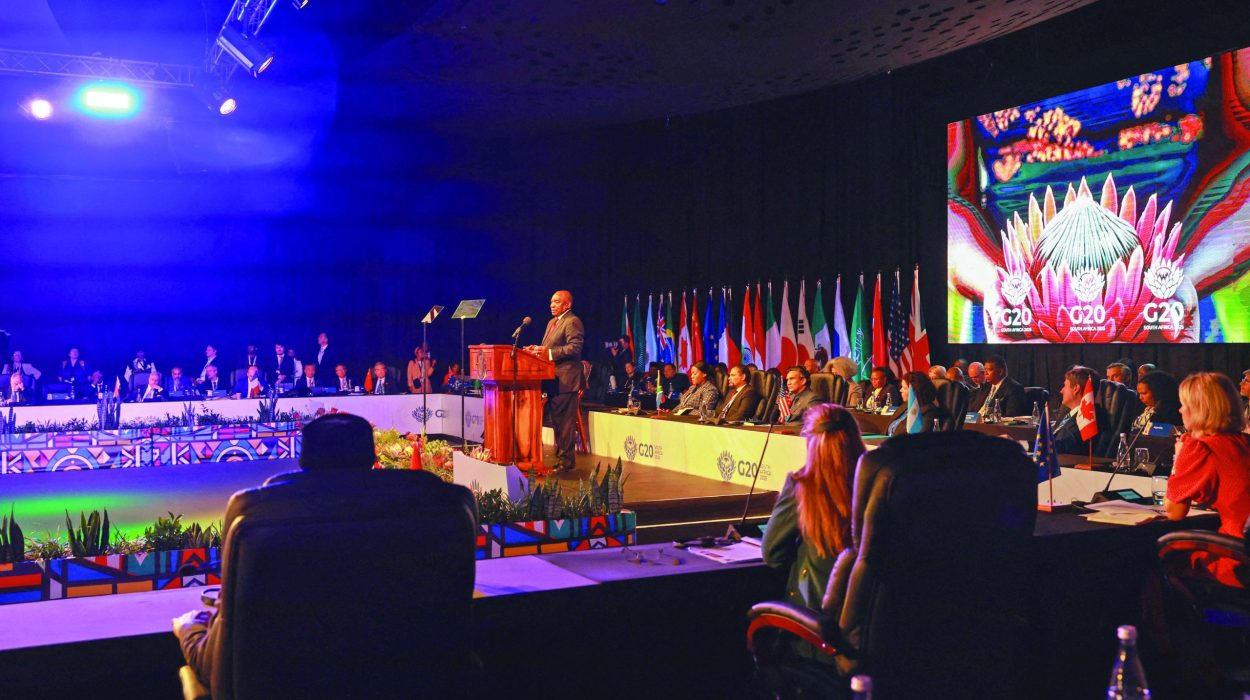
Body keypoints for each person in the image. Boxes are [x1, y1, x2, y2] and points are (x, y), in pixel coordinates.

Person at [173, 413, 463, 689]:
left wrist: (190, 629)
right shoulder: (440, 509)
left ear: (301, 461)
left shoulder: (254, 513)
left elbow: (218, 668)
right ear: (373, 459)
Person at [762, 404, 866, 608]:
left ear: (810, 442)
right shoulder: (878, 481)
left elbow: (772, 554)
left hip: (811, 619)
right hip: (868, 621)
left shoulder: (802, 484)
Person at [1164, 372, 1250, 587]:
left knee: (1151, 561)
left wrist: (1178, 458)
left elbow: (1174, 512)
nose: (1180, 410)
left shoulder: (1198, 446)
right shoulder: (1245, 442)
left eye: (1184, 404)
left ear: (1199, 409)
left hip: (1238, 558)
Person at [525, 289, 584, 473]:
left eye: (557, 302)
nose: (552, 304)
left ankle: (566, 462)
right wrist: (538, 350)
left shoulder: (572, 321)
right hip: (552, 379)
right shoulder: (553, 322)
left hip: (566, 380)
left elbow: (575, 348)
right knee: (557, 423)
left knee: (565, 424)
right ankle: (561, 460)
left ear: (567, 305)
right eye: (551, 301)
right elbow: (548, 348)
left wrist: (549, 353)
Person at [1052, 365, 1108, 455]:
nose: (1061, 391)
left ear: (1076, 389)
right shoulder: (1069, 414)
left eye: (1065, 386)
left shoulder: (1086, 420)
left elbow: (1064, 446)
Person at [888, 371, 952, 435]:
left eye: (904, 388)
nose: (900, 390)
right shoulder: (904, 406)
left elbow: (920, 438)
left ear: (915, 390)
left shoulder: (929, 411)